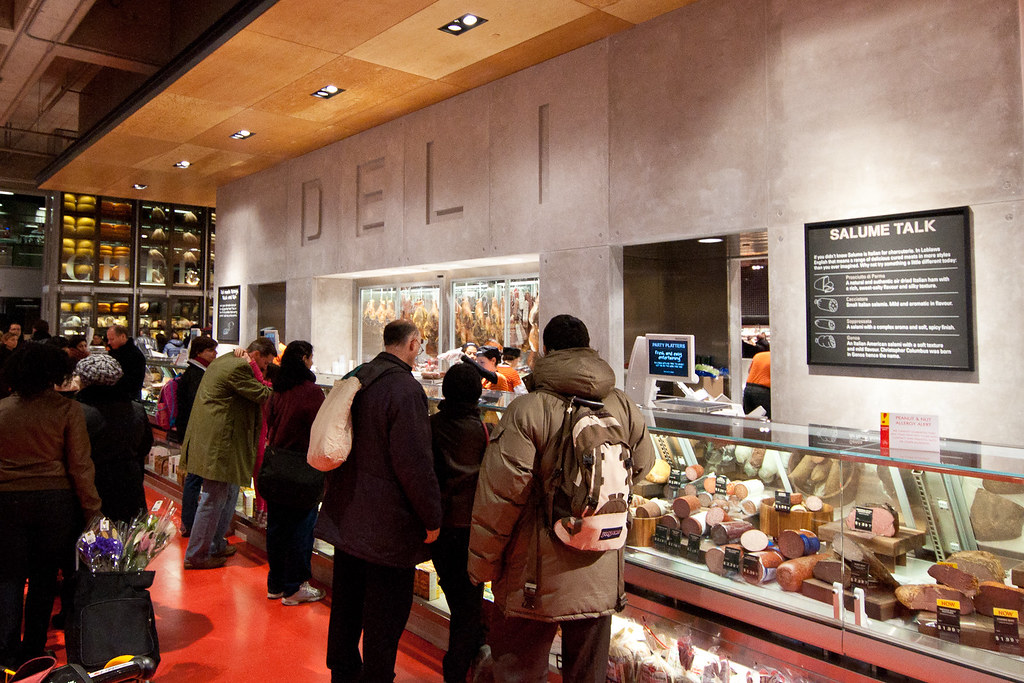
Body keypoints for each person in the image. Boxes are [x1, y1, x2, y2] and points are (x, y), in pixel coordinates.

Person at [468, 314, 655, 682]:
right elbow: (645, 463)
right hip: (600, 571)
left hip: (534, 578)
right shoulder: (622, 404)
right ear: (589, 347)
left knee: (518, 673)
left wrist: (482, 566)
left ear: (546, 350)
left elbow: (500, 499)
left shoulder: (527, 410)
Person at [317, 319, 442, 682]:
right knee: (384, 617)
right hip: (387, 527)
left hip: (348, 515)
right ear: (413, 345)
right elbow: (415, 464)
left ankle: (342, 672)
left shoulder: (359, 376)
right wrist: (432, 518)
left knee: (346, 604)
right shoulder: (405, 390)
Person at [0, 343, 101, 670]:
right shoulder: (67, 410)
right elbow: (80, 466)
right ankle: (34, 648)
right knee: (45, 577)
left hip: (7, 501)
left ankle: (5, 649)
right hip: (55, 503)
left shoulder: (1, 409)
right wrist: (92, 510)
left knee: (9, 576)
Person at [180, 337, 275, 569]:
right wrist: (255, 369)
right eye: (265, 364)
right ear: (257, 355)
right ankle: (197, 554)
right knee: (213, 498)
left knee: (227, 493)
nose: (265, 369)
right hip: (220, 444)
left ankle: (214, 544)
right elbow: (264, 394)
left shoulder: (225, 360)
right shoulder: (241, 367)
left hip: (216, 440)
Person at [430, 362, 490, 682]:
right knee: (467, 610)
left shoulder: (431, 426)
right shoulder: (483, 431)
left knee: (461, 602)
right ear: (478, 395)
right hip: (472, 530)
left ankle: (473, 655)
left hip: (438, 529)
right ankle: (456, 672)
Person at [262, 340, 326, 605]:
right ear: (304, 359)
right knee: (302, 526)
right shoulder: (312, 392)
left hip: (276, 467)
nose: (312, 362)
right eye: (310, 357)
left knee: (277, 527)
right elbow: (321, 427)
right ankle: (295, 587)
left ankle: (275, 584)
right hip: (301, 468)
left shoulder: (278, 390)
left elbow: (270, 420)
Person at [75, 354, 154, 524]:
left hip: (91, 486)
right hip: (129, 484)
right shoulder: (137, 409)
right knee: (129, 542)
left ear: (84, 381)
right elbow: (145, 446)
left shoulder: (77, 412)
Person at [176, 335, 219, 537]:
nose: (215, 354)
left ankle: (190, 521)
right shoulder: (197, 375)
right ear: (199, 352)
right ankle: (191, 523)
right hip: (196, 433)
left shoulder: (194, 373)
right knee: (194, 478)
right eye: (211, 350)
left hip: (191, 432)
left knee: (193, 477)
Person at [106, 325, 146, 401]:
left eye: (112, 339)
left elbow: (133, 383)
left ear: (123, 336)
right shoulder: (114, 351)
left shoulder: (134, 355)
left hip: (127, 399)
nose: (109, 342)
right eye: (108, 339)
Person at [743, 349, 771, 419]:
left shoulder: (758, 355)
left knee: (749, 417)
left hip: (748, 387)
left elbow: (749, 370)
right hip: (763, 390)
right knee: (765, 417)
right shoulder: (775, 358)